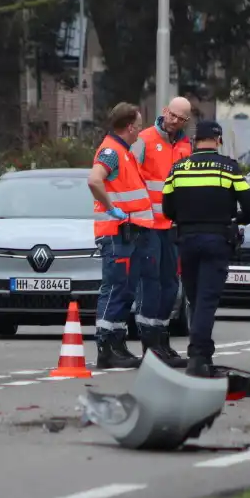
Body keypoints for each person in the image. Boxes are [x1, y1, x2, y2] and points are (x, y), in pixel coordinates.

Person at [161, 120, 250, 377]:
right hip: (217, 241)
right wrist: (235, 218)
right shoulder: (229, 168)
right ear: (218, 140)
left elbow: (167, 209)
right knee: (206, 301)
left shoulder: (178, 169)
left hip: (187, 241)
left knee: (194, 299)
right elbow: (249, 207)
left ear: (194, 141)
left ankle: (201, 352)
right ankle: (199, 356)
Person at [87, 102, 159, 369]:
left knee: (125, 290)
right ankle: (106, 347)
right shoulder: (111, 151)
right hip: (117, 232)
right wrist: (111, 208)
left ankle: (117, 345)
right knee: (116, 288)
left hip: (129, 233)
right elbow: (94, 180)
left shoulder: (123, 151)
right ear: (129, 127)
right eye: (138, 126)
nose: (140, 132)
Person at [131, 96, 194, 368]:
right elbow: (129, 177)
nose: (175, 121)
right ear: (165, 111)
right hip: (148, 225)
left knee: (170, 285)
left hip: (172, 226)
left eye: (181, 119)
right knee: (151, 285)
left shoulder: (185, 145)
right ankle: (149, 345)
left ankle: (162, 340)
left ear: (186, 121)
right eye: (172, 115)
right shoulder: (143, 140)